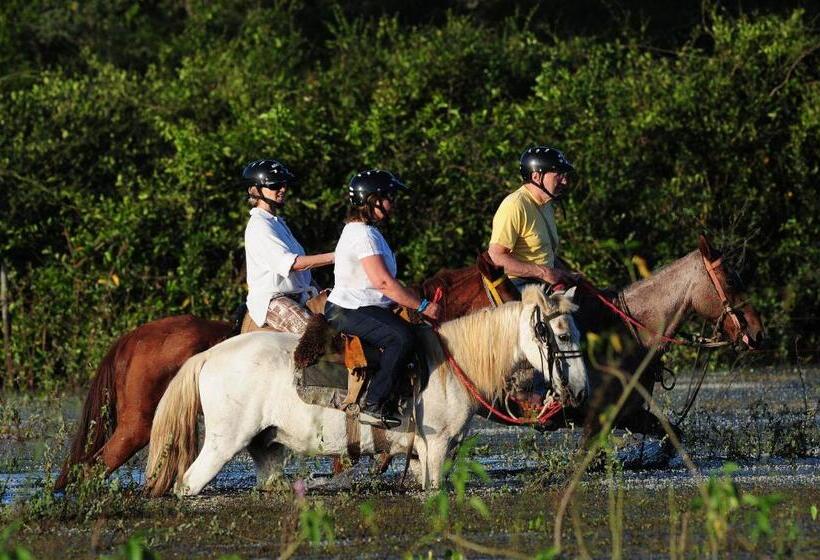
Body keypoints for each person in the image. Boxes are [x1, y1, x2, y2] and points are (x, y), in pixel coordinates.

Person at [325, 170, 442, 429]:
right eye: (389, 197)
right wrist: (423, 306)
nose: (393, 203)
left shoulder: (366, 231)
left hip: (362, 305)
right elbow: (384, 283)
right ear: (372, 200)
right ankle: (373, 404)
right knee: (401, 338)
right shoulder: (363, 235)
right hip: (349, 309)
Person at [488, 146, 580, 403]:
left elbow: (544, 254)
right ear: (537, 176)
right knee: (547, 325)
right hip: (518, 284)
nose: (564, 181)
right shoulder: (514, 205)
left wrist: (564, 273)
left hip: (542, 282)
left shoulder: (545, 205)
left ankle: (579, 381)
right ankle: (536, 394)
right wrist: (544, 272)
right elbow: (497, 256)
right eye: (558, 174)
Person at [242, 159, 334, 335]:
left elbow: (301, 272)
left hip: (300, 295)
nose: (283, 189)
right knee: (319, 336)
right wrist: (336, 256)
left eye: (284, 184)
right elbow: (292, 264)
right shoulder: (259, 225)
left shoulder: (277, 222)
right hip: (274, 300)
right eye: (275, 185)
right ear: (255, 190)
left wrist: (316, 286)